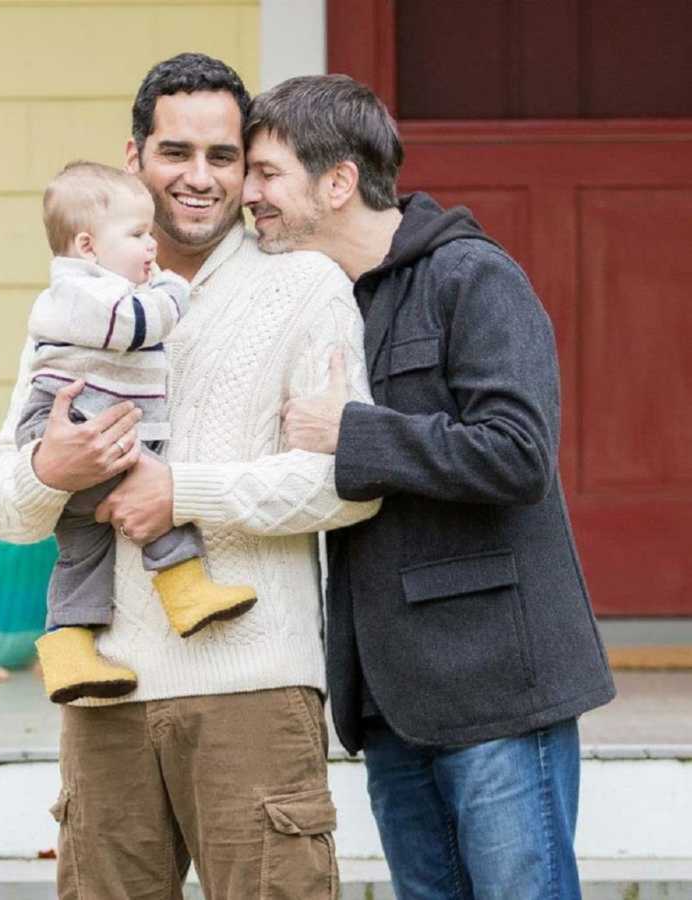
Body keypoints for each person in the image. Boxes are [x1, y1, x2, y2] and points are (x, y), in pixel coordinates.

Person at [0, 54, 379, 899]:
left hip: (253, 687)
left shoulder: (304, 286)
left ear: (244, 168)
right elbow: (3, 509)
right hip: (103, 695)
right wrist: (52, 471)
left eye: (223, 157)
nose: (199, 178)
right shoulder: (73, 304)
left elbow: (349, 483)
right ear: (135, 159)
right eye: (175, 153)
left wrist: (181, 491)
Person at [242, 74, 616, 900]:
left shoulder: (472, 279)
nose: (247, 193)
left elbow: (517, 454)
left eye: (267, 173)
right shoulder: (317, 302)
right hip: (389, 698)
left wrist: (354, 433)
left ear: (337, 181)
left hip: (497, 689)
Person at [15, 160, 257, 705]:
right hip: (76, 427)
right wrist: (175, 290)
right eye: (137, 235)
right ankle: (185, 589)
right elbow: (137, 328)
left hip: (90, 424)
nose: (152, 247)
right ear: (86, 246)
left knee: (83, 546)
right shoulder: (84, 293)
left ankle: (69, 648)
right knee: (145, 492)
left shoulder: (96, 286)